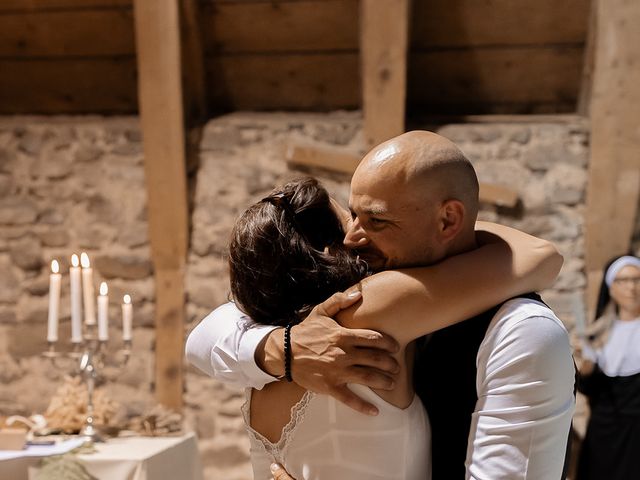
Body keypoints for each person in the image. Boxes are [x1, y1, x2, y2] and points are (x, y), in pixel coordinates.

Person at [187, 131, 576, 479]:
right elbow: (207, 336)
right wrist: (281, 347)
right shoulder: (345, 312)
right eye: (352, 215)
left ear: (447, 220)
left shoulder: (523, 332)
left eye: (375, 220)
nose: (354, 238)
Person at [576, 255, 640, 480]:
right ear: (610, 287)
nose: (631, 287)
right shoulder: (598, 334)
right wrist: (586, 369)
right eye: (623, 281)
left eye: (637, 279)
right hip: (604, 431)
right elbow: (589, 389)